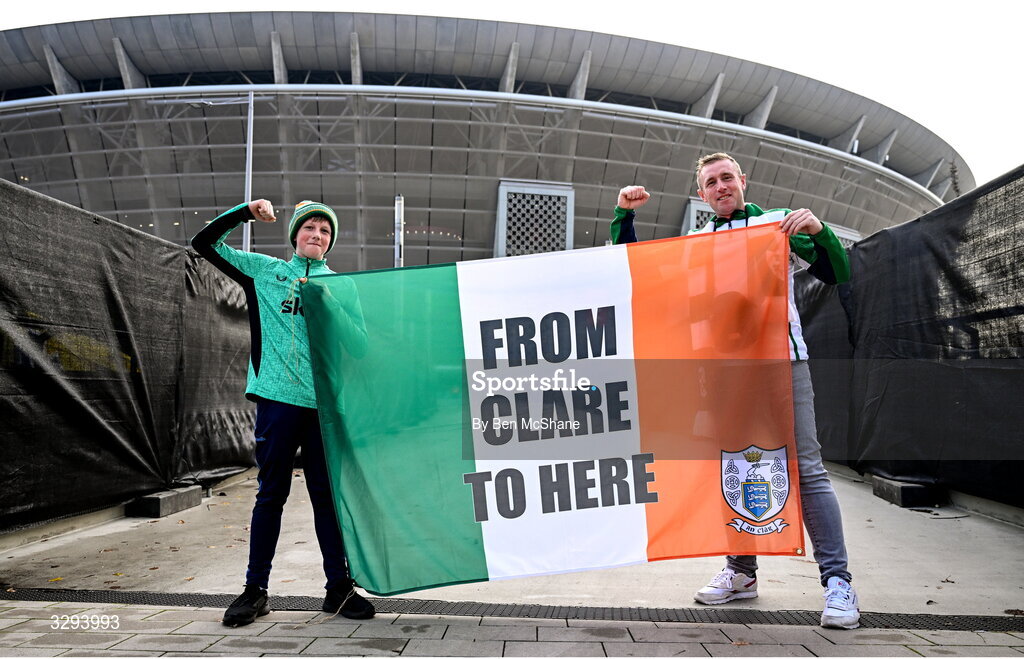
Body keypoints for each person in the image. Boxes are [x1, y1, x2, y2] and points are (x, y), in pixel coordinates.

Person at [610, 152, 860, 630]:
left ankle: (838, 582)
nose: (721, 186)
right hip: (723, 375)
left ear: (743, 180)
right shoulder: (697, 241)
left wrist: (818, 231)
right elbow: (641, 273)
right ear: (701, 194)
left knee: (806, 469)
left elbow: (837, 272)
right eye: (710, 182)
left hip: (782, 366)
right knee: (734, 468)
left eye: (727, 177)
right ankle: (742, 573)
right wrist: (625, 215)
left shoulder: (777, 226)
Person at [191, 198, 374, 627]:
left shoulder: (341, 286)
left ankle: (338, 588)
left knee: (326, 499)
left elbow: (360, 346)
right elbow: (203, 243)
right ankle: (255, 590)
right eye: (310, 228)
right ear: (295, 235)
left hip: (323, 408)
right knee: (270, 494)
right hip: (277, 400)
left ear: (330, 243)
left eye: (325, 231)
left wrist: (327, 303)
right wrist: (243, 213)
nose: (317, 235)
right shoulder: (264, 271)